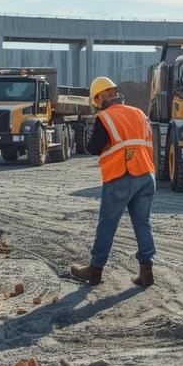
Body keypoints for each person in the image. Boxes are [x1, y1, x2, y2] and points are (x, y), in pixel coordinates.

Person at [70, 76, 157, 287]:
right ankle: (146, 272)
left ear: (100, 96)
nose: (97, 104)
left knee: (107, 225)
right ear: (116, 92)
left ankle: (95, 270)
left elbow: (92, 148)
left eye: (96, 100)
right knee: (142, 223)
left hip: (121, 176)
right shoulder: (139, 113)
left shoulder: (105, 118)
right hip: (146, 175)